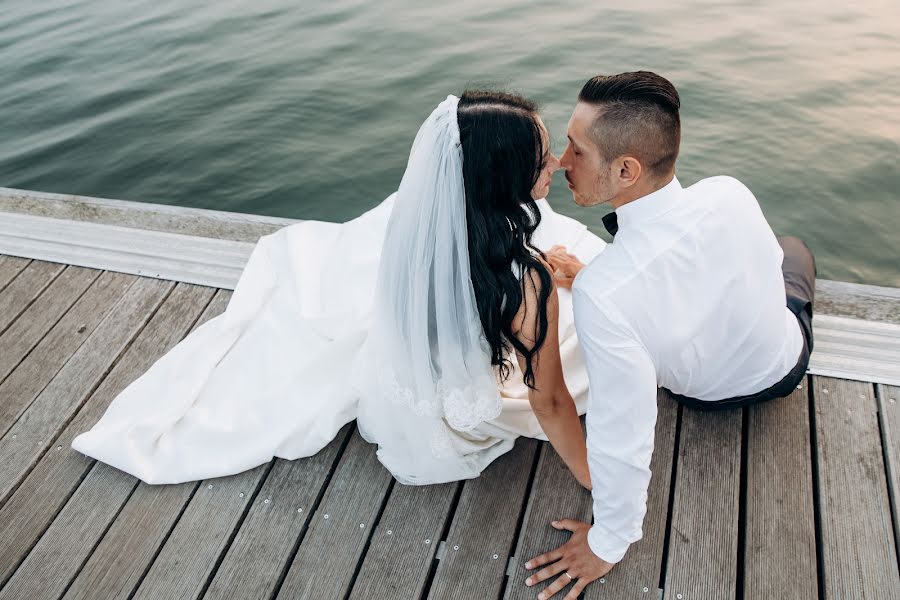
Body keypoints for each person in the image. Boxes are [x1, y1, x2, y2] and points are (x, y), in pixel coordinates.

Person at [72, 91, 607, 491]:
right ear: (503, 176)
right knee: (596, 338)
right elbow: (552, 401)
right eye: (541, 162)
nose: (557, 164)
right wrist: (596, 484)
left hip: (420, 383)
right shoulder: (524, 279)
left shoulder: (426, 222)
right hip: (468, 409)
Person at [522, 71, 816, 600]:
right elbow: (754, 268)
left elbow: (624, 435)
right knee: (791, 252)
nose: (561, 161)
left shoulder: (606, 297)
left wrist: (608, 542)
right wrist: (596, 275)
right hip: (785, 357)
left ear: (626, 170)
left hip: (711, 396)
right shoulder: (729, 193)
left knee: (787, 260)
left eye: (576, 149)